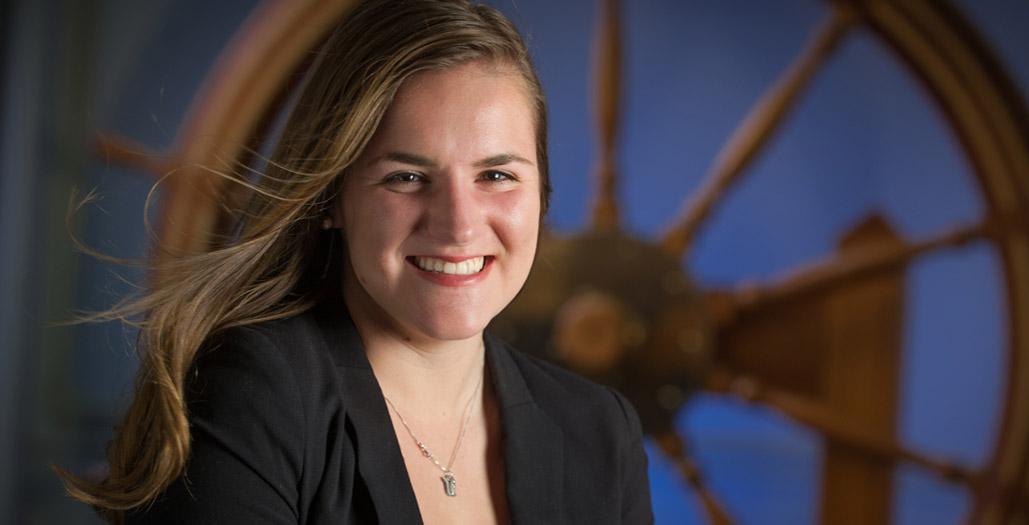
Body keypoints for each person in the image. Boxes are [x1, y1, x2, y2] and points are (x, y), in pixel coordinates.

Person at [58, 1, 654, 523]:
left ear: (542, 194)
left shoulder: (601, 430)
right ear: (330, 199)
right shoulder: (249, 396)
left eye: (496, 175)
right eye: (407, 177)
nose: (459, 224)